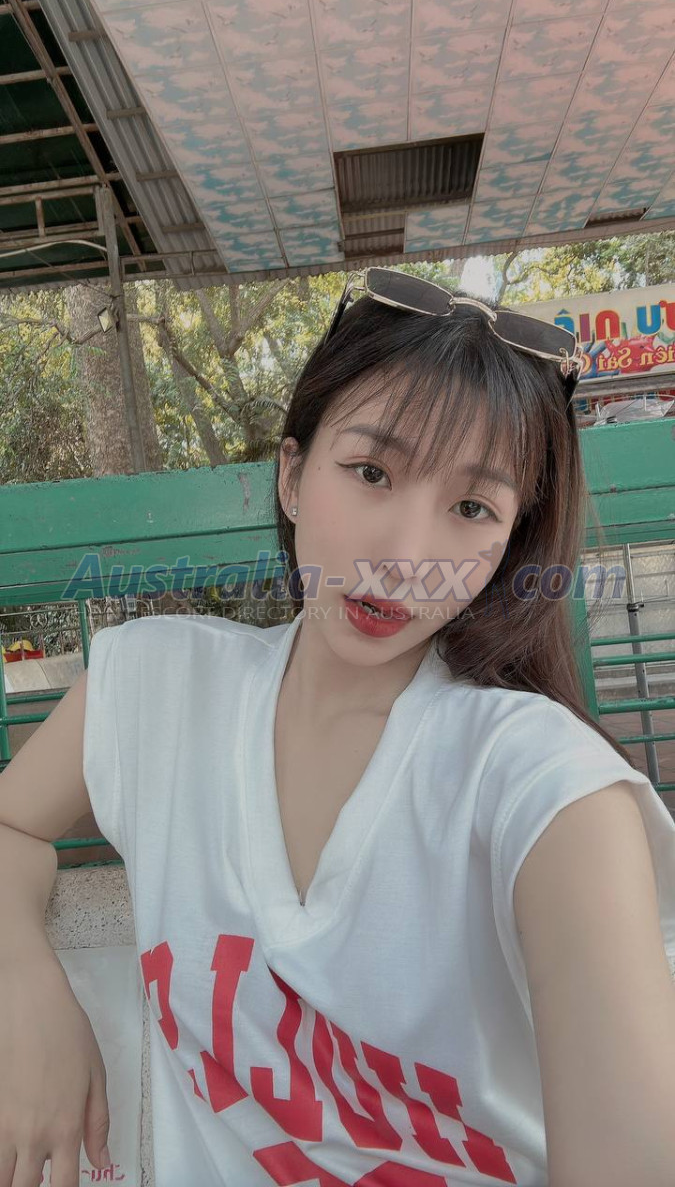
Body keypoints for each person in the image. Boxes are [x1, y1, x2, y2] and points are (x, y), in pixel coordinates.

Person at [1, 267, 675, 1187]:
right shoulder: (155, 688)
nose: (404, 558)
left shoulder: (544, 790)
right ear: (291, 475)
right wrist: (26, 991)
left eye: (470, 508)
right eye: (370, 472)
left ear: (508, 545)